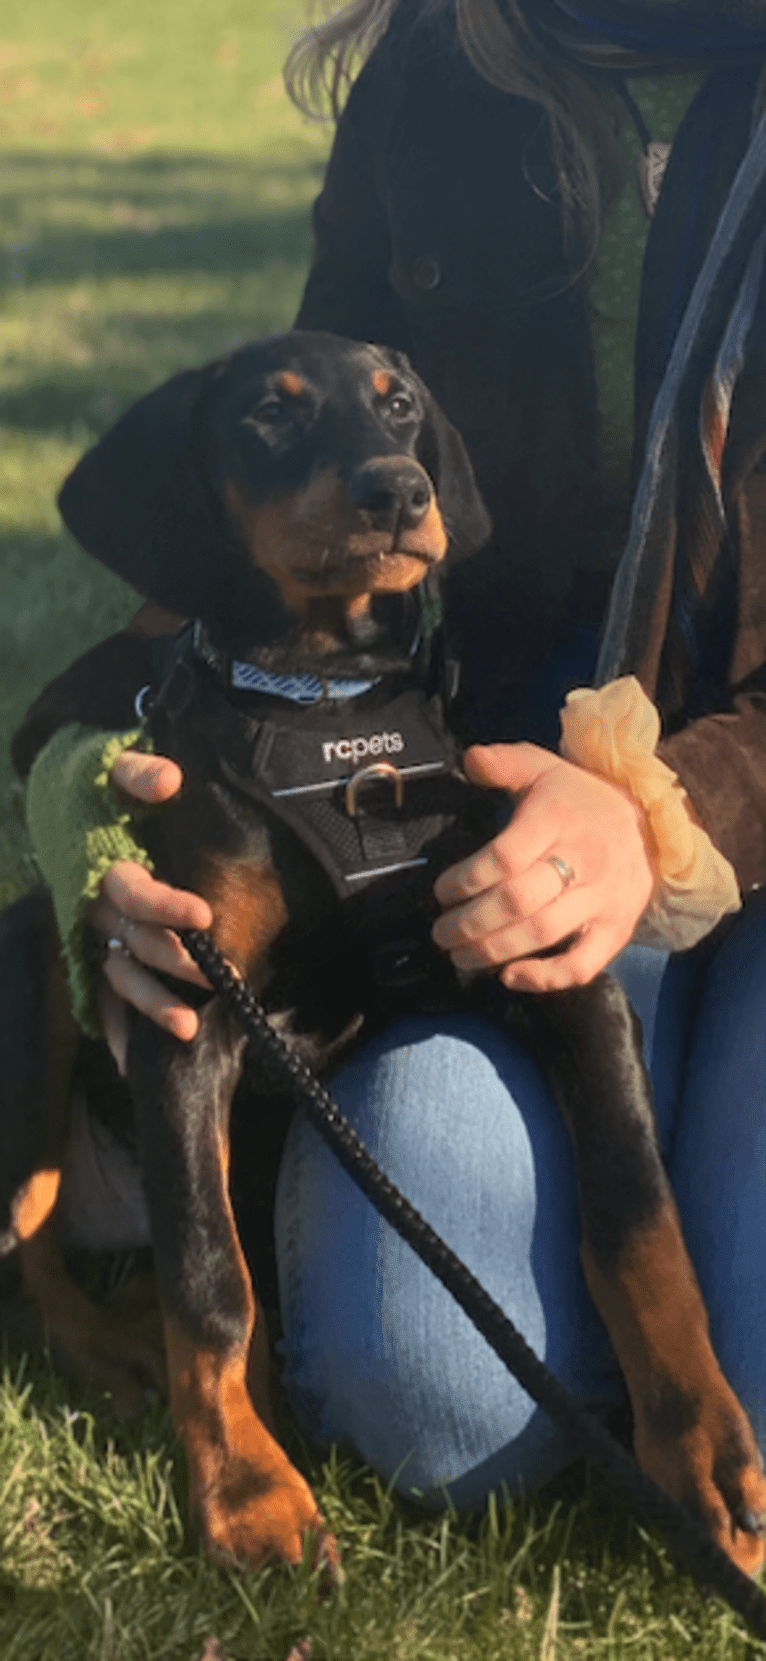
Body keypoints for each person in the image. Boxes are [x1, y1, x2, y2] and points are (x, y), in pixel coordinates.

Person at [17, 0, 766, 1551]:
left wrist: (664, 807)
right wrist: (79, 778)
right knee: (436, 1407)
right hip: (457, 826)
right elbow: (245, 501)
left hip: (736, 808)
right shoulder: (442, 72)